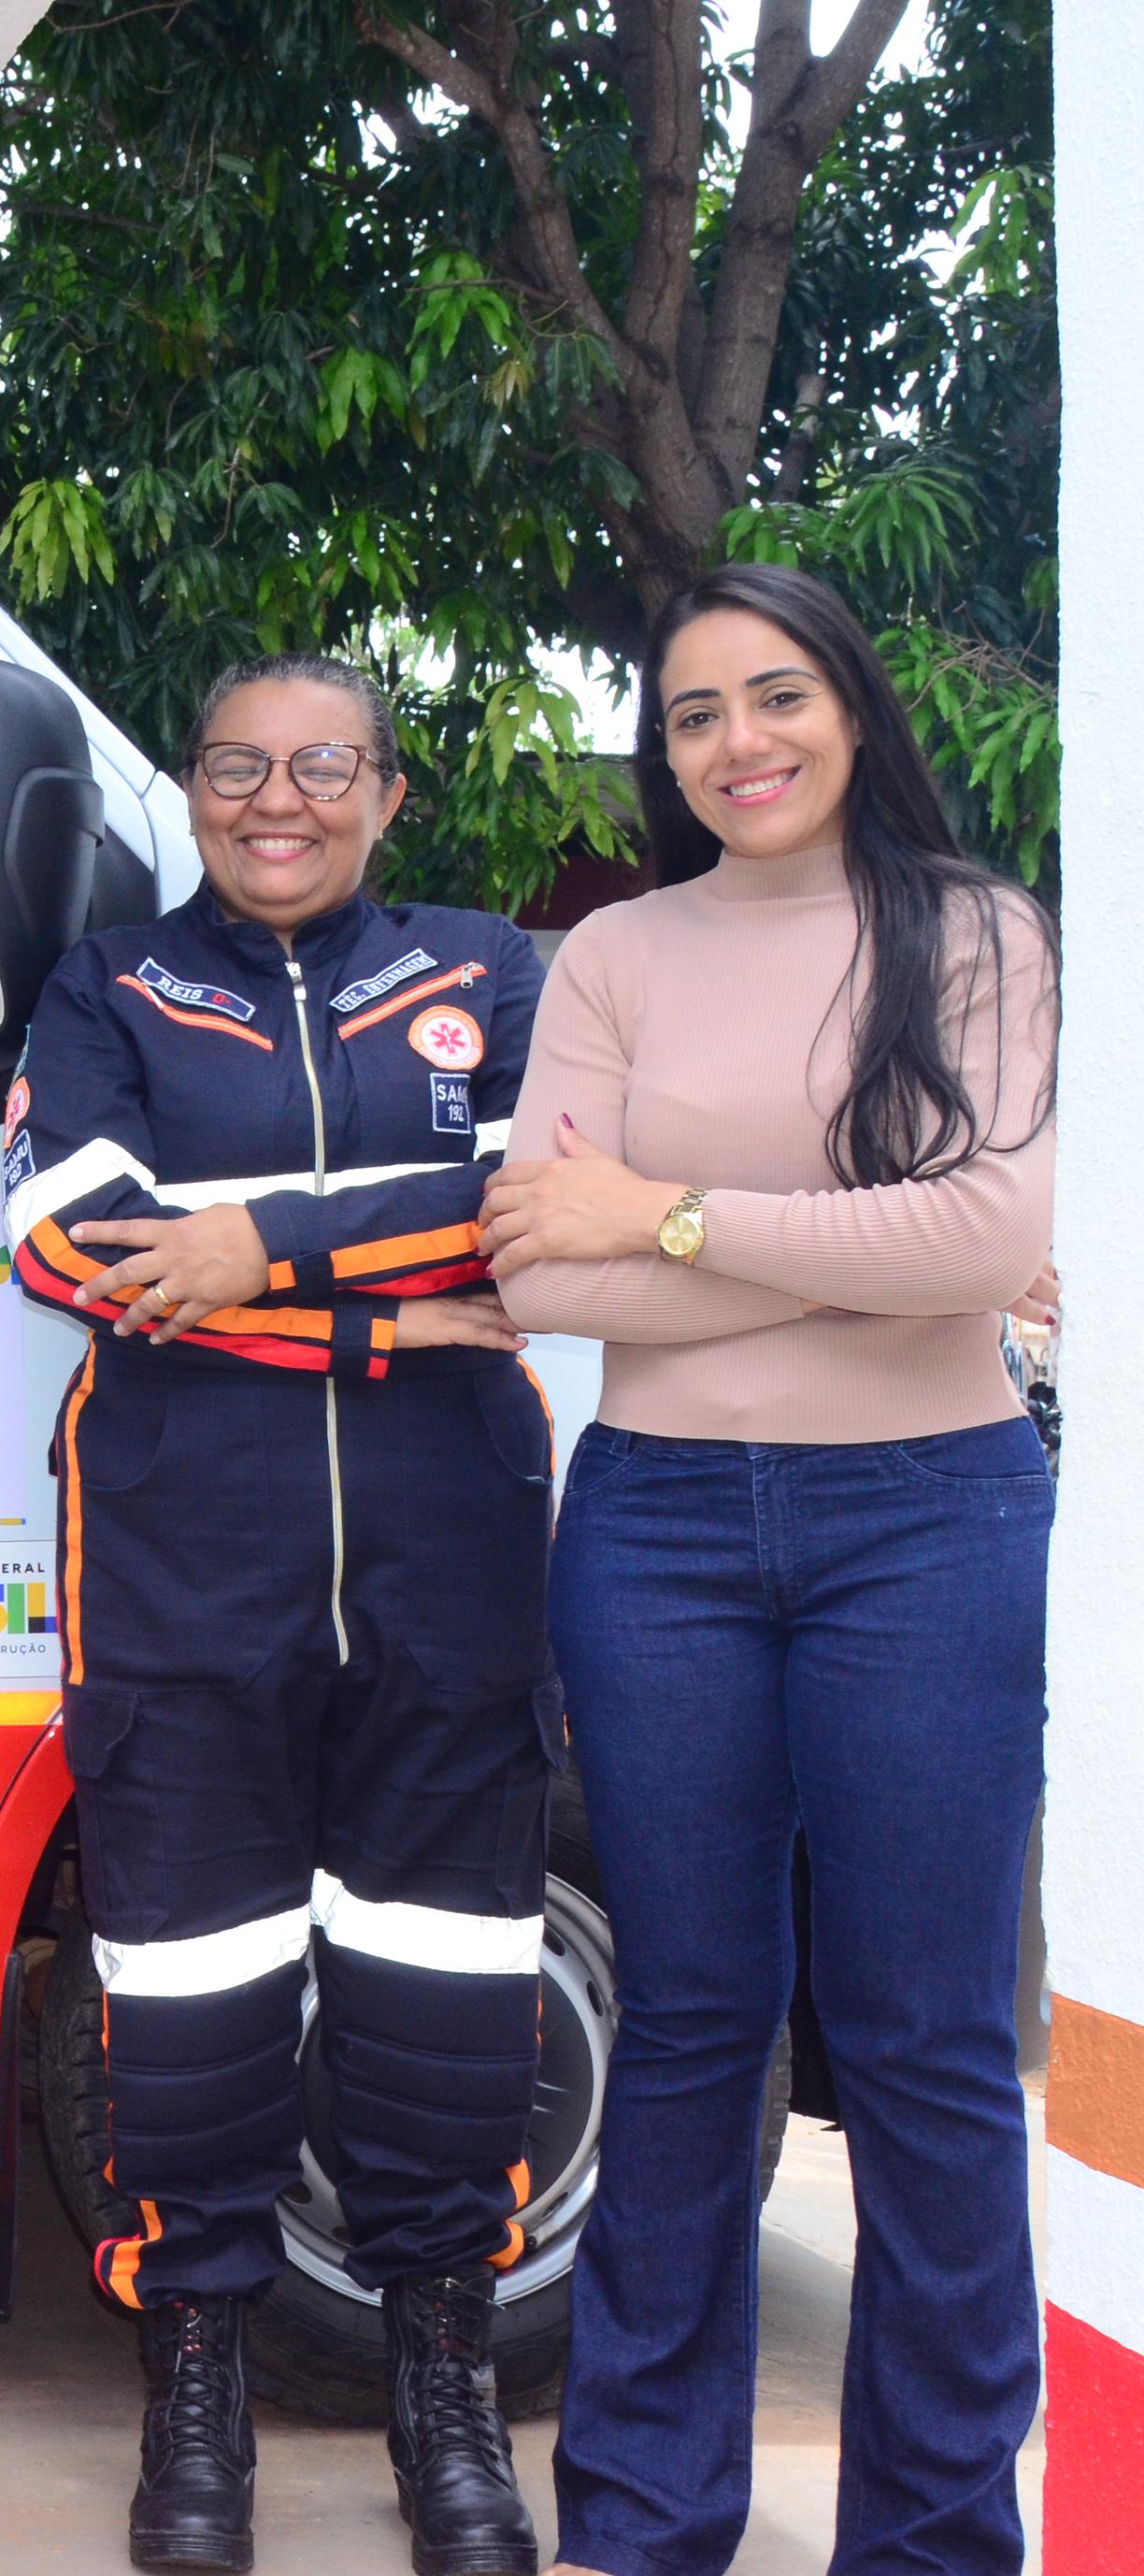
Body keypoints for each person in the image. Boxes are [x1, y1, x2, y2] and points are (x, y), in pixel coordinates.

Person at [484, 563, 1057, 2576]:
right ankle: (638, 2527)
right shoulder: (619, 954)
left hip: (934, 1522)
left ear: (852, 707)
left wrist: (666, 1220)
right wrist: (817, 1246)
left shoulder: (973, 933)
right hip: (654, 1540)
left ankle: (932, 2540)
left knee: (920, 2043)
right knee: (692, 2026)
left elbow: (985, 1249)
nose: (740, 743)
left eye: (778, 695)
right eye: (697, 714)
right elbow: (533, 1262)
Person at [8, 654, 552, 2576]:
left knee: (443, 1984)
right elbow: (67, 1238)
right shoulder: (112, 986)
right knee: (182, 1984)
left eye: (321, 765)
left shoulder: (493, 975)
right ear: (192, 791)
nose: (277, 798)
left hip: (448, 1560)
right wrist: (371, 1314)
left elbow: (531, 1202)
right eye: (237, 765)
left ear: (388, 795)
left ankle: (442, 2382)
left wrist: (249, 1242)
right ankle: (196, 2380)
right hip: (177, 1553)